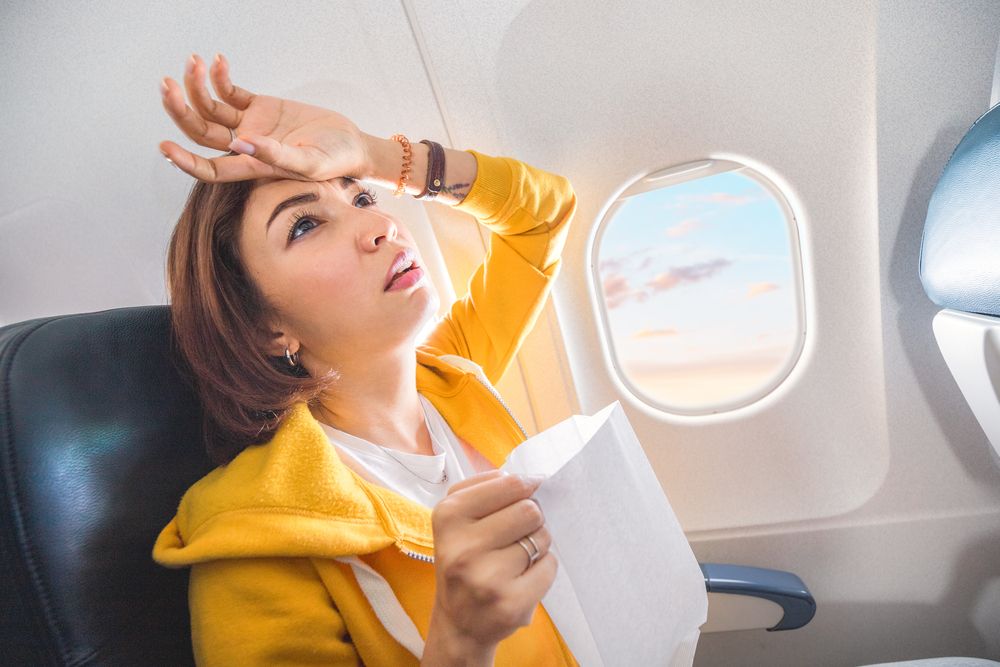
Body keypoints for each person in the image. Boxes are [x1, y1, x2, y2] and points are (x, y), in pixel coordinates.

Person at [151, 53, 579, 667]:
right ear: (266, 327)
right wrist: (459, 643)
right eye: (304, 226)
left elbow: (544, 215)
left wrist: (375, 155)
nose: (378, 226)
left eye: (358, 196)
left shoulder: (453, 378)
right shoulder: (255, 533)